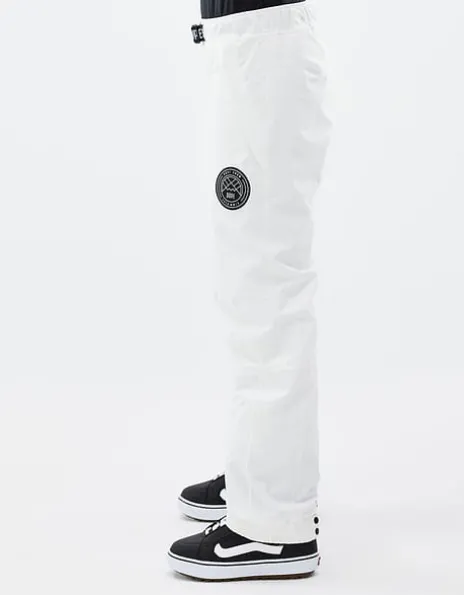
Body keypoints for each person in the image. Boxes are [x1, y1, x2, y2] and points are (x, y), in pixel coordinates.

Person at [167, 0, 332, 581]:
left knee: (263, 287)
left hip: (261, 54)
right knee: (252, 281)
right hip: (250, 49)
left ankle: (273, 522)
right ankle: (260, 481)